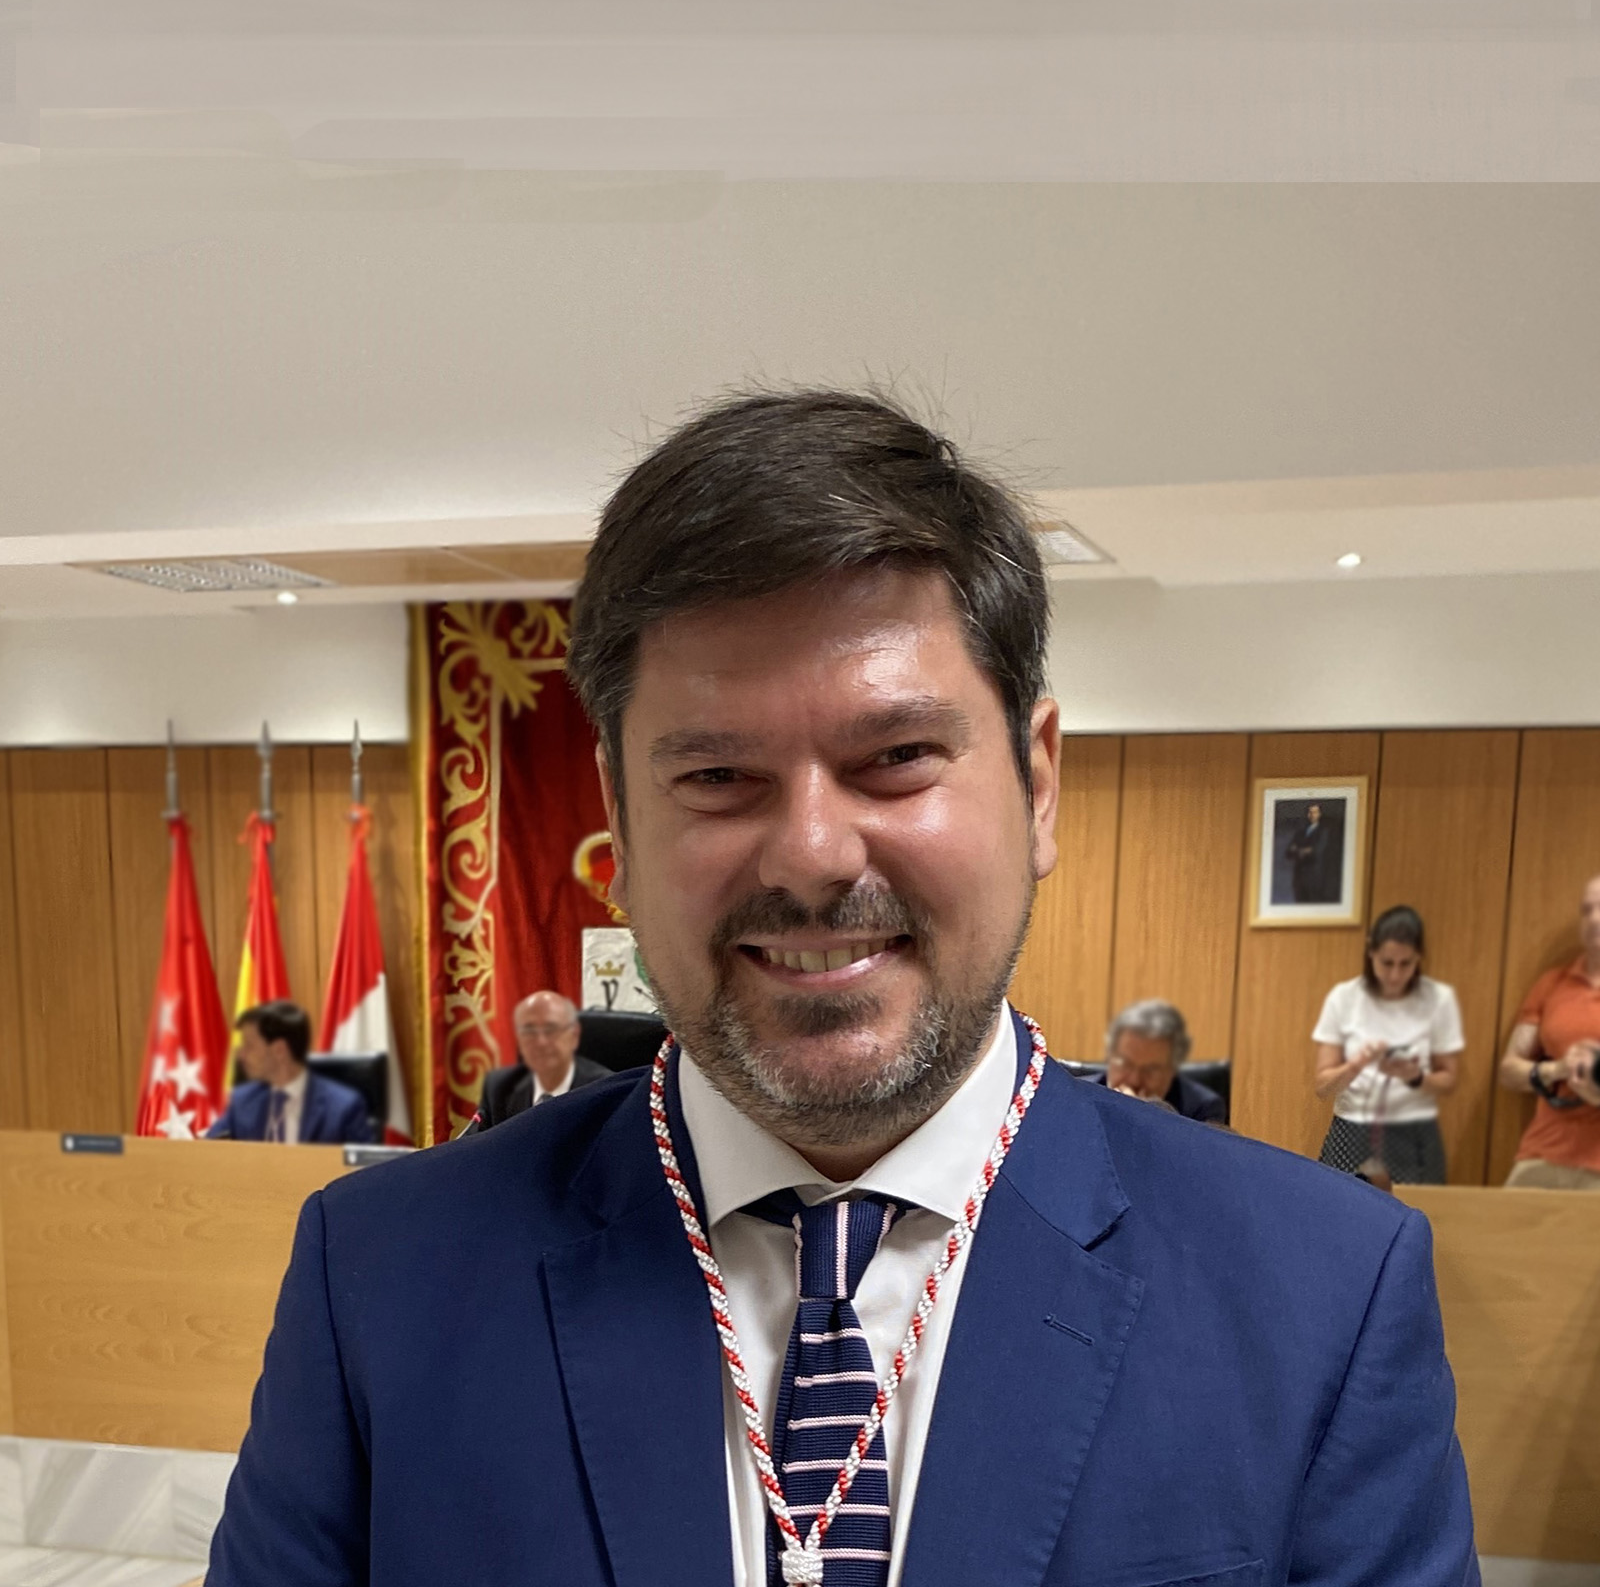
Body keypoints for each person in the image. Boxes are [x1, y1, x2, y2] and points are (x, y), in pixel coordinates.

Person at [208, 391, 1474, 1587]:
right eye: (716, 776)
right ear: (619, 820)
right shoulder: (381, 1280)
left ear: (1037, 785)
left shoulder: (1320, 1292)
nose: (811, 854)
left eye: (897, 756)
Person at [1311, 906, 1464, 1186]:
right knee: (1338, 1208)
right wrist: (1355, 1065)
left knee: (1415, 1212)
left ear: (1419, 957)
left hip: (1414, 1130)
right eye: (1387, 963)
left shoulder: (1438, 999)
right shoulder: (1344, 998)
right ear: (1371, 953)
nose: (1395, 975)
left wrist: (1415, 1077)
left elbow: (1449, 1080)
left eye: (1406, 964)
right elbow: (1322, 1087)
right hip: (1351, 1129)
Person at [1498, 873, 1600, 1190]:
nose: (1594, 918)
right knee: (1501, 1221)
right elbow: (1508, 1069)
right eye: (1586, 909)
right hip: (1543, 1153)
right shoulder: (1552, 984)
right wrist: (1558, 1070)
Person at [205, 1000, 371, 1146]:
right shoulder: (243, 1100)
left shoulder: (343, 1107)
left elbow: (366, 1167)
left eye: (249, 1045)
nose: (241, 1055)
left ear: (279, 1050)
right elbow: (209, 1149)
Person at [465, 990, 612, 1133]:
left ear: (574, 1035)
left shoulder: (605, 1090)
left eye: (551, 1029)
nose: (541, 1042)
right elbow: (477, 1145)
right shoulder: (499, 1088)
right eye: (529, 1031)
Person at [1092, 999, 1225, 1123]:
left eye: (1150, 1070)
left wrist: (1146, 1114)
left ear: (1173, 1070)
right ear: (1108, 1056)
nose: (1135, 1080)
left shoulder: (1204, 1108)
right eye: (1125, 1064)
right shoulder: (1081, 1093)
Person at [1284, 801, 1336, 903]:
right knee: (1300, 903)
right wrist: (1304, 850)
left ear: (1320, 814)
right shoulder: (1300, 832)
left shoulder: (1323, 832)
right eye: (1310, 812)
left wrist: (1298, 849)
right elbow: (1289, 853)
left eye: (1315, 812)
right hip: (1299, 877)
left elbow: (1316, 852)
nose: (1312, 815)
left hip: (1314, 876)